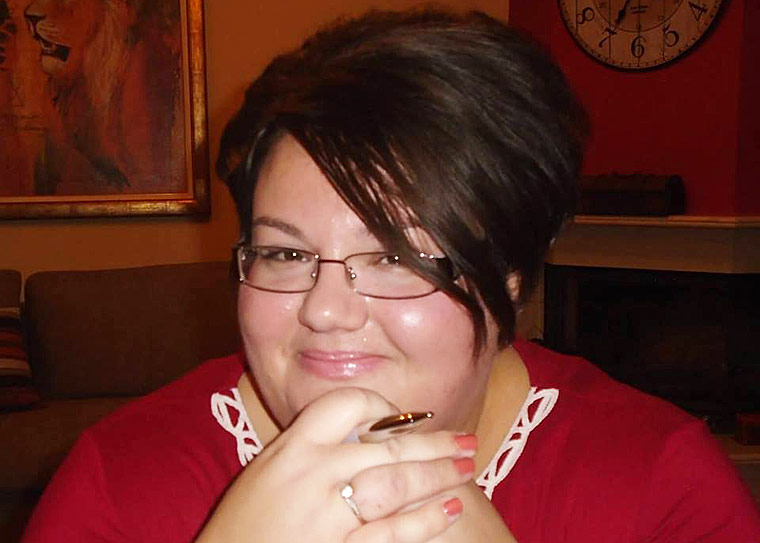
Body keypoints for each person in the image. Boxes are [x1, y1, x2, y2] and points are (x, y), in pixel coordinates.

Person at [22, 8, 760, 543]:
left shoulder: (662, 488)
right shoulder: (116, 485)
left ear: (509, 273)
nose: (325, 310)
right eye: (285, 253)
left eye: (397, 256)